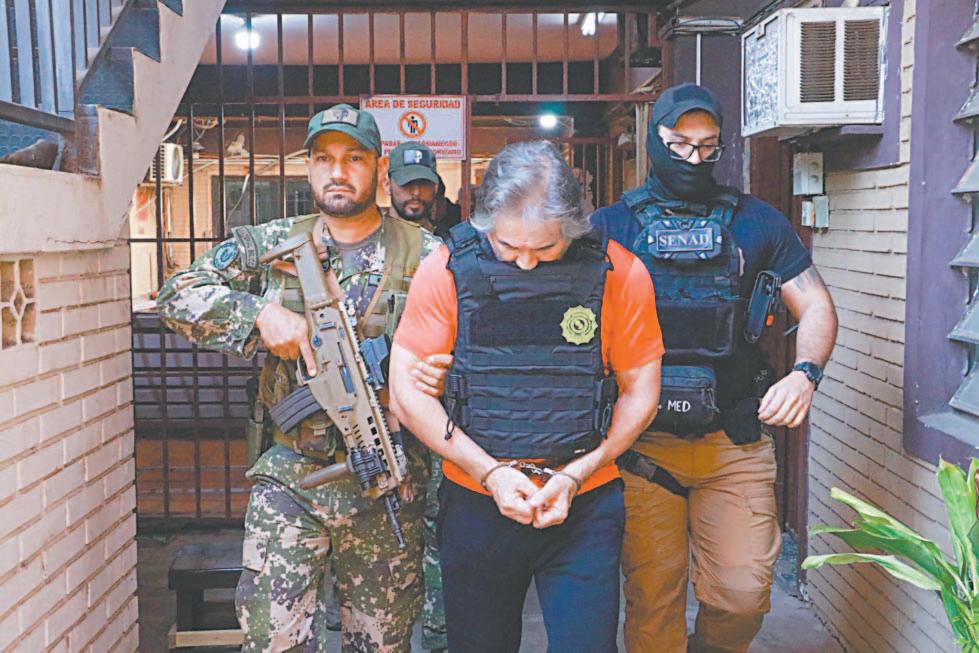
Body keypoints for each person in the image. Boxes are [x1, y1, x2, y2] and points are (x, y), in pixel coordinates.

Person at [157, 104, 441, 652]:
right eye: (324, 159)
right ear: (308, 168)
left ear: (379, 169)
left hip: (388, 478)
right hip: (291, 476)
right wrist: (259, 316)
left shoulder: (428, 254)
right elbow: (177, 295)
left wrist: (431, 378)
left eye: (354, 158)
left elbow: (465, 348)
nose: (338, 171)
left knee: (381, 644)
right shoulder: (271, 242)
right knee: (274, 641)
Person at [590, 83, 839, 652]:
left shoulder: (758, 222)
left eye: (707, 147)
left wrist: (805, 373)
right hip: (640, 446)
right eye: (680, 145)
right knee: (653, 600)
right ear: (654, 141)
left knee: (741, 595)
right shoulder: (609, 227)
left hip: (734, 439)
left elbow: (817, 305)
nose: (693, 159)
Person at [389, 140, 664, 653]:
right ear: (485, 225)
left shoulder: (619, 272)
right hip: (476, 501)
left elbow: (640, 393)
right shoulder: (446, 269)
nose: (526, 263)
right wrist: (490, 473)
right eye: (509, 246)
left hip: (584, 502)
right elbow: (405, 392)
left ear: (573, 227)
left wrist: (576, 474)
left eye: (544, 249)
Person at [380, 139, 452, 652]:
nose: (415, 194)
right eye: (407, 185)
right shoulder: (373, 247)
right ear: (389, 186)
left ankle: (440, 629)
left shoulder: (452, 250)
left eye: (424, 185)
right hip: (378, 412)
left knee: (440, 523)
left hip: (438, 410)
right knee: (380, 524)